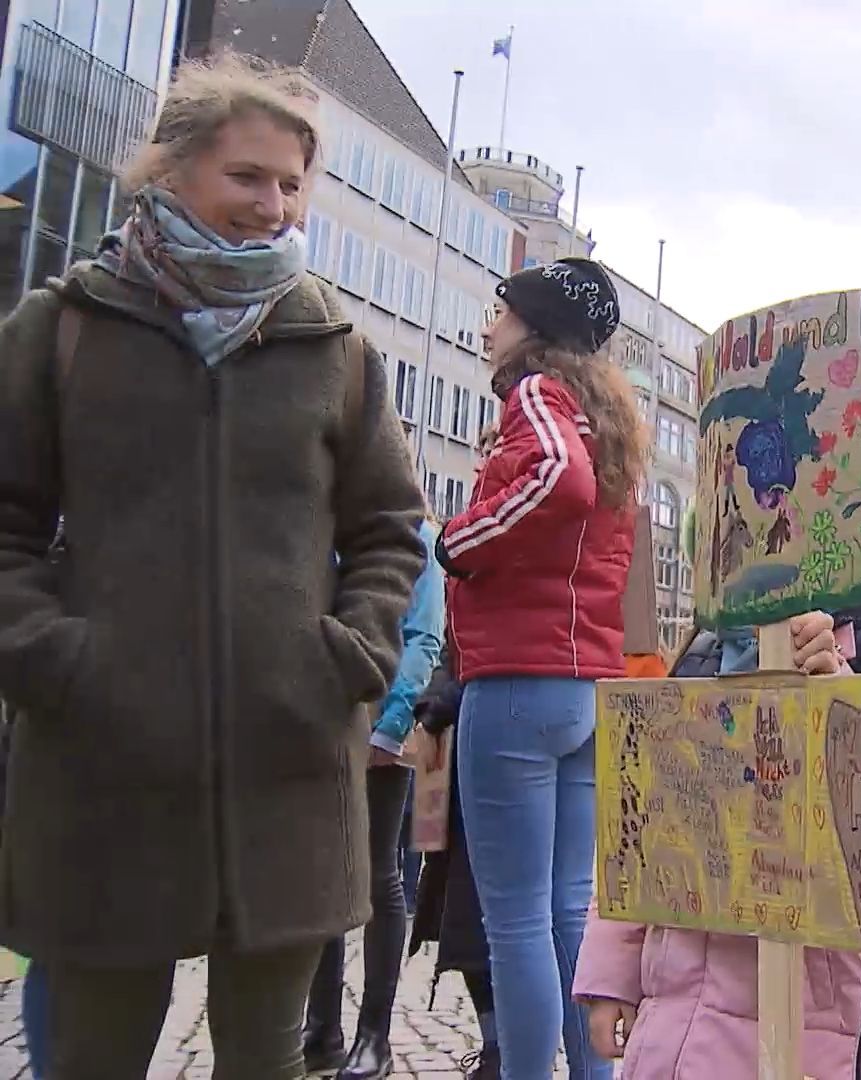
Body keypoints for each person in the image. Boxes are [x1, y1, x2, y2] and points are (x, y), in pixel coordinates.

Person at [0, 51, 425, 1079]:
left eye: (291, 184)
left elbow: (390, 531)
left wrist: (346, 656)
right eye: (247, 177)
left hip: (286, 770)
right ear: (174, 168)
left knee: (266, 1062)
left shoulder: (337, 348)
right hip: (105, 769)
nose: (272, 205)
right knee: (89, 1060)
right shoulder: (64, 327)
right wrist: (57, 658)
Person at [574, 601, 861, 1079]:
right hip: (674, 1033)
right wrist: (612, 973)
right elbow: (639, 835)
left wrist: (839, 699)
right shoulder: (702, 656)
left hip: (811, 1041)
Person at [434, 256, 649, 1080]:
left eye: (500, 309)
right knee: (567, 911)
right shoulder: (608, 416)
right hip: (587, 686)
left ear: (533, 326)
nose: (488, 326)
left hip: (517, 679)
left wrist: (462, 539)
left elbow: (558, 482)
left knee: (515, 920)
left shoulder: (534, 397)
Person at [305, 516, 447, 1078]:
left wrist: (388, 726)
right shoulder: (328, 521)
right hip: (323, 724)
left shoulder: (416, 534)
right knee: (322, 873)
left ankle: (374, 1036)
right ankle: (323, 1030)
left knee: (379, 874)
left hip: (383, 722)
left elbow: (423, 635)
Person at [404, 647, 502, 1079]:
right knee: (465, 930)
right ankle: (495, 1045)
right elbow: (457, 651)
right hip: (463, 794)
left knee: (509, 929)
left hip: (495, 775)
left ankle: (504, 1050)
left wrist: (439, 706)